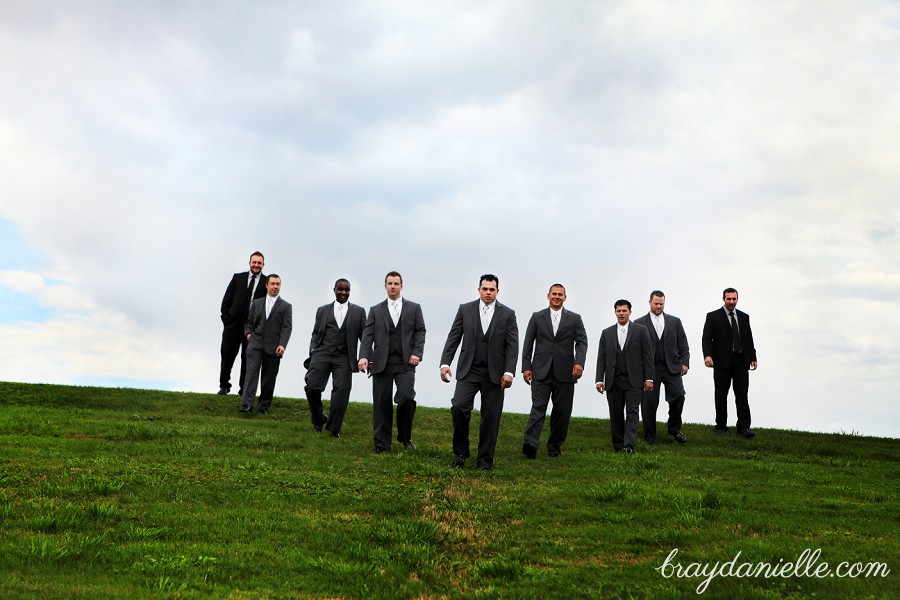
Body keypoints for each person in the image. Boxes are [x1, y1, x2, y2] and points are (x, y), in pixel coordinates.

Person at [440, 274, 518, 471]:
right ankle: (460, 453)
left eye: (492, 289)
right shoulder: (465, 310)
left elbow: (512, 345)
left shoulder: (508, 314)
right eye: (485, 289)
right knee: (458, 407)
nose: (488, 292)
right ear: (479, 290)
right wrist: (444, 364)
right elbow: (453, 337)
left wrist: (509, 372)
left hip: (495, 374)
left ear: (497, 291)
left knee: (491, 417)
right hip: (469, 370)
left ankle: (484, 460)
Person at [358, 272, 427, 453]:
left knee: (405, 397)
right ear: (385, 286)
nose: (393, 286)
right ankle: (381, 444)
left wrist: (417, 353)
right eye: (390, 283)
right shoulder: (375, 310)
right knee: (381, 404)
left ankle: (405, 436)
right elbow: (368, 336)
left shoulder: (414, 308)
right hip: (381, 363)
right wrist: (364, 356)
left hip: (405, 362)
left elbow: (420, 331)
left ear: (402, 286)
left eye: (396, 283)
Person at [520, 283, 588, 459]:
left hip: (566, 372)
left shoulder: (575, 318)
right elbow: (528, 343)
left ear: (565, 297)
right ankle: (531, 444)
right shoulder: (537, 317)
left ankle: (554, 446)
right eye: (554, 294)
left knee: (562, 411)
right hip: (540, 371)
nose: (557, 296)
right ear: (548, 296)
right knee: (538, 408)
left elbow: (582, 342)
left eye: (560, 294)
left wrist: (579, 363)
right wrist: (526, 367)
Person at [303, 279, 366, 437]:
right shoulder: (322, 310)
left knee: (341, 392)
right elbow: (316, 333)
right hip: (322, 353)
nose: (343, 293)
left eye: (347, 290)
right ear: (334, 290)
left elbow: (365, 337)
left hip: (344, 357)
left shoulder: (358, 312)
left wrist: (364, 357)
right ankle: (318, 418)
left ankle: (334, 429)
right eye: (340, 290)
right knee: (312, 387)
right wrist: (313, 349)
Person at [595, 299, 654, 453]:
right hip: (613, 380)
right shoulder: (606, 333)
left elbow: (648, 356)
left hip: (634, 380)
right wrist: (599, 380)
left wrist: (649, 378)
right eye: (619, 311)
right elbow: (601, 357)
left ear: (630, 312)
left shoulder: (641, 330)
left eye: (624, 310)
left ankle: (629, 445)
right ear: (615, 312)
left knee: (633, 412)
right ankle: (618, 444)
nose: (621, 313)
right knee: (615, 413)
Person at [634, 291, 690, 445]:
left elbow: (684, 346)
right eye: (656, 303)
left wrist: (684, 363)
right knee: (649, 403)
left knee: (679, 395)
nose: (658, 306)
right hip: (649, 369)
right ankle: (650, 436)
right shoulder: (638, 323)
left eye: (661, 304)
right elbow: (634, 349)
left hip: (671, 368)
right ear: (650, 302)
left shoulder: (675, 322)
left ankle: (674, 428)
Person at [702, 287, 758, 438]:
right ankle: (721, 426)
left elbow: (749, 339)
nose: (731, 302)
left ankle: (744, 427)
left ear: (737, 299)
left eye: (734, 299)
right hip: (721, 362)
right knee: (721, 394)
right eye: (729, 299)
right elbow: (706, 338)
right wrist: (707, 355)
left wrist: (753, 357)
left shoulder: (744, 317)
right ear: (723, 299)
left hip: (741, 361)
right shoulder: (713, 316)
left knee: (742, 394)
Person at [241, 274, 292, 415]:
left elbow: (287, 328)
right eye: (273, 284)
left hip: (274, 347)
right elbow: (248, 322)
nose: (275, 287)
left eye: (278, 284)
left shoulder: (286, 306)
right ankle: (246, 405)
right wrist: (248, 334)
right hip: (255, 344)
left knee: (269, 379)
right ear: (267, 285)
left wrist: (282, 345)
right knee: (251, 375)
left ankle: (264, 407)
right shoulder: (257, 303)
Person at [218, 251, 268, 395]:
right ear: (249, 263)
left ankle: (243, 389)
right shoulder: (237, 278)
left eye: (259, 263)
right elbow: (226, 301)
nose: (256, 265)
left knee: (248, 358)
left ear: (263, 265)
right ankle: (224, 385)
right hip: (232, 326)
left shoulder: (266, 282)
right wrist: (227, 321)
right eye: (254, 262)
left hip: (251, 328)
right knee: (227, 355)